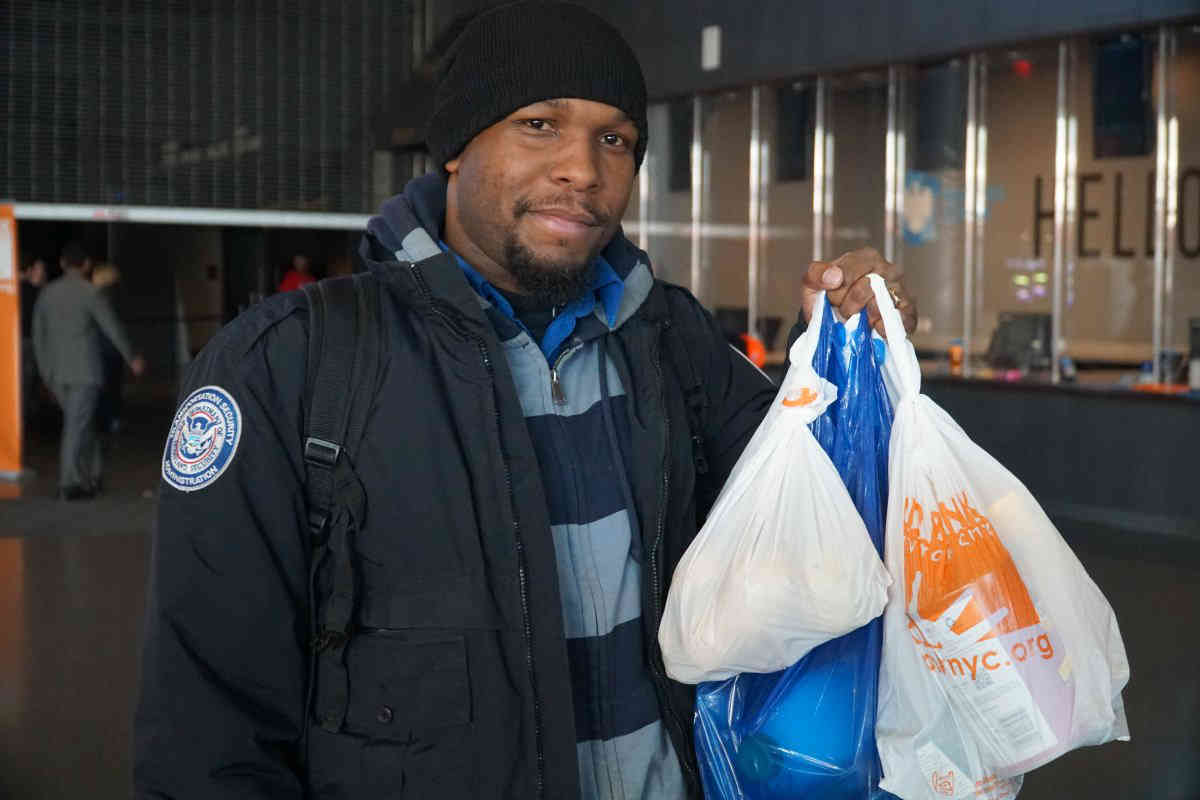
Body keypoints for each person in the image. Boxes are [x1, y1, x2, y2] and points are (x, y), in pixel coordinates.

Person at [134, 3, 918, 798]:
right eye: (540, 124)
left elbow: (826, 523)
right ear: (454, 148)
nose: (582, 168)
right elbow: (209, 737)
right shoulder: (292, 367)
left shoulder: (669, 339)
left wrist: (853, 362)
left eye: (614, 140)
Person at [31, 243, 146, 500]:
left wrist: (45, 371)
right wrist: (132, 357)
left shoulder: (47, 294)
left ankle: (92, 475)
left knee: (81, 424)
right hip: (84, 372)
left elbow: (39, 336)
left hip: (56, 373)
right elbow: (111, 327)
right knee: (76, 426)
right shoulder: (89, 293)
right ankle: (69, 483)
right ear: (85, 265)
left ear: (62, 264)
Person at [91, 263, 127, 434]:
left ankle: (102, 421)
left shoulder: (95, 296)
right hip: (111, 348)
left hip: (97, 348)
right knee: (113, 386)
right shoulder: (112, 297)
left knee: (102, 387)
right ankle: (111, 420)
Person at [18, 254, 48, 420]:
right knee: (26, 381)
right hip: (29, 341)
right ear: (29, 270)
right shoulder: (36, 291)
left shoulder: (9, 288)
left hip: (13, 341)